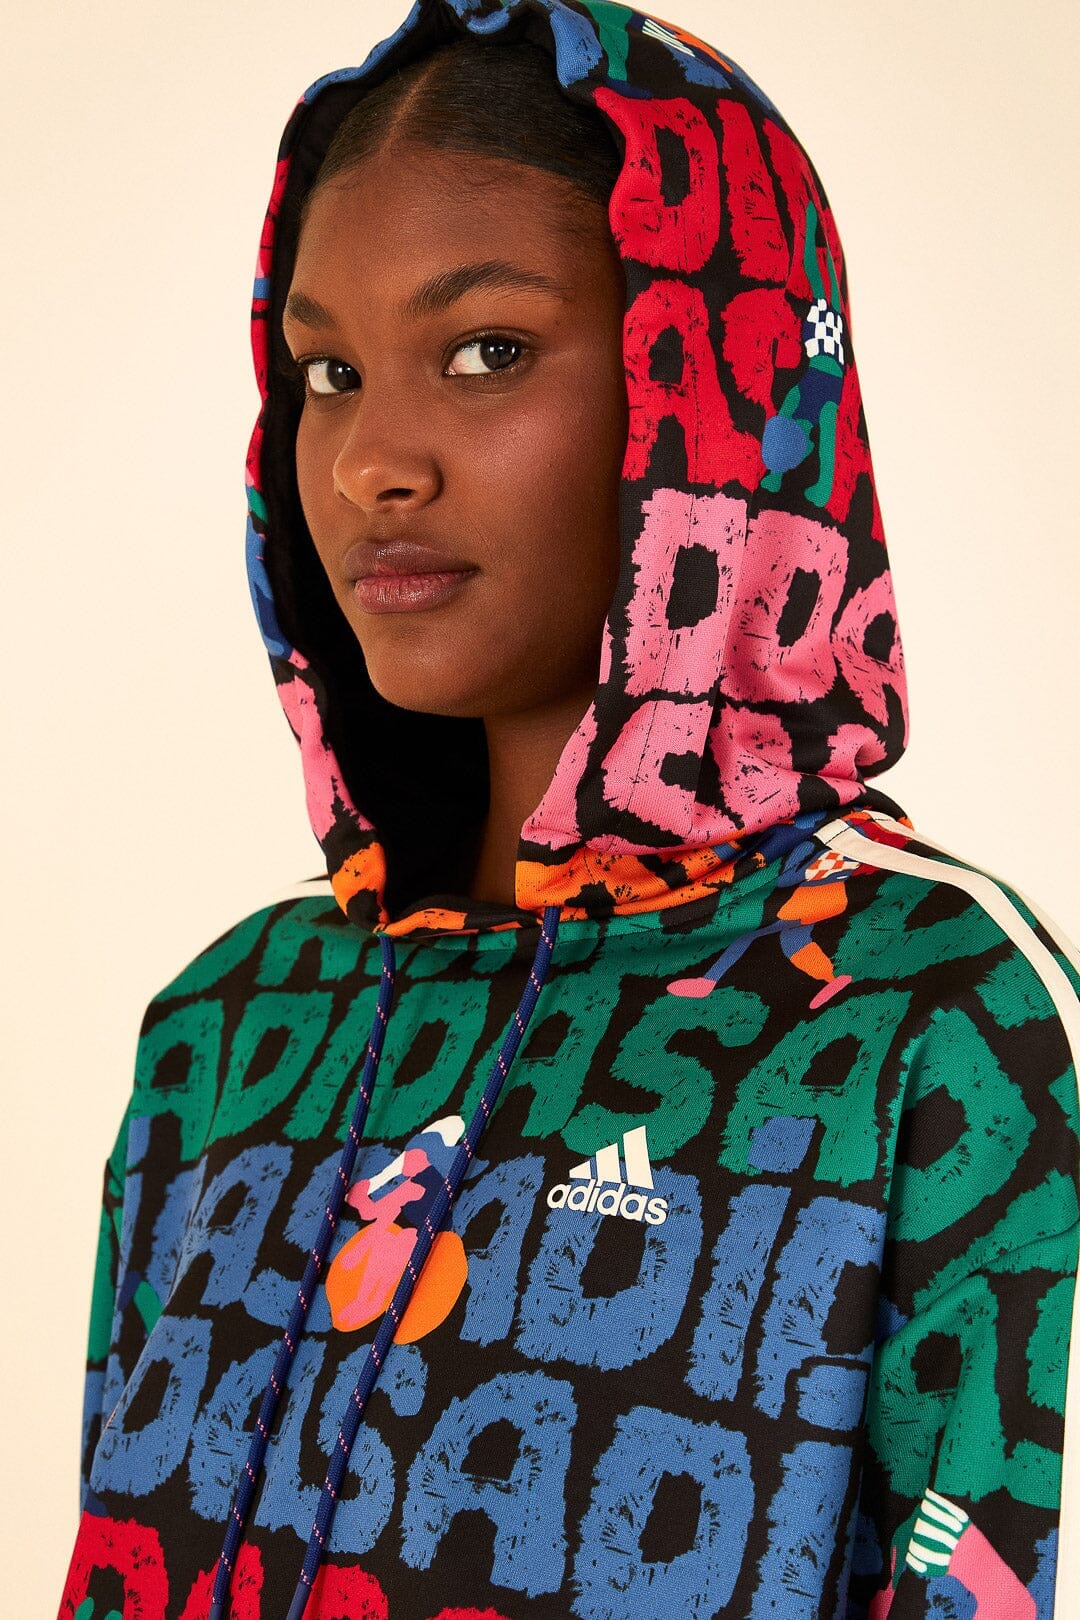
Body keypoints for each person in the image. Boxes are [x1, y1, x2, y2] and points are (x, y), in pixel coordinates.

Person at [58, 2, 1080, 1617]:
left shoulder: (938, 1014)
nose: (369, 461)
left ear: (719, 394)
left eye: (486, 351)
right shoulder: (225, 1024)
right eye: (327, 373)